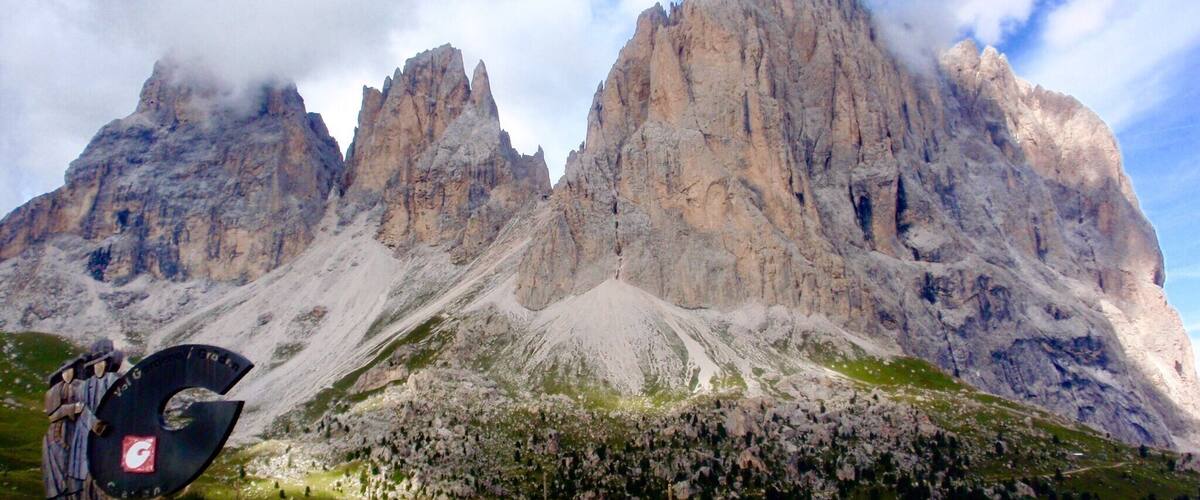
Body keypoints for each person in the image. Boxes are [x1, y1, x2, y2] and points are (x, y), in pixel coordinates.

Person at [69, 339, 124, 500]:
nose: (99, 365)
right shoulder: (84, 387)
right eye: (96, 363)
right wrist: (94, 423)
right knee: (84, 477)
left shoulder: (116, 381)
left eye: (103, 362)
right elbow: (79, 407)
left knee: (106, 476)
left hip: (111, 434)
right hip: (86, 433)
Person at [43, 355, 88, 499]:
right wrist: (71, 409)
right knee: (59, 470)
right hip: (57, 435)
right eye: (65, 371)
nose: (68, 374)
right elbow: (52, 415)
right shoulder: (54, 391)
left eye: (71, 370)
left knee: (76, 469)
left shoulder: (80, 386)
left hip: (75, 432)